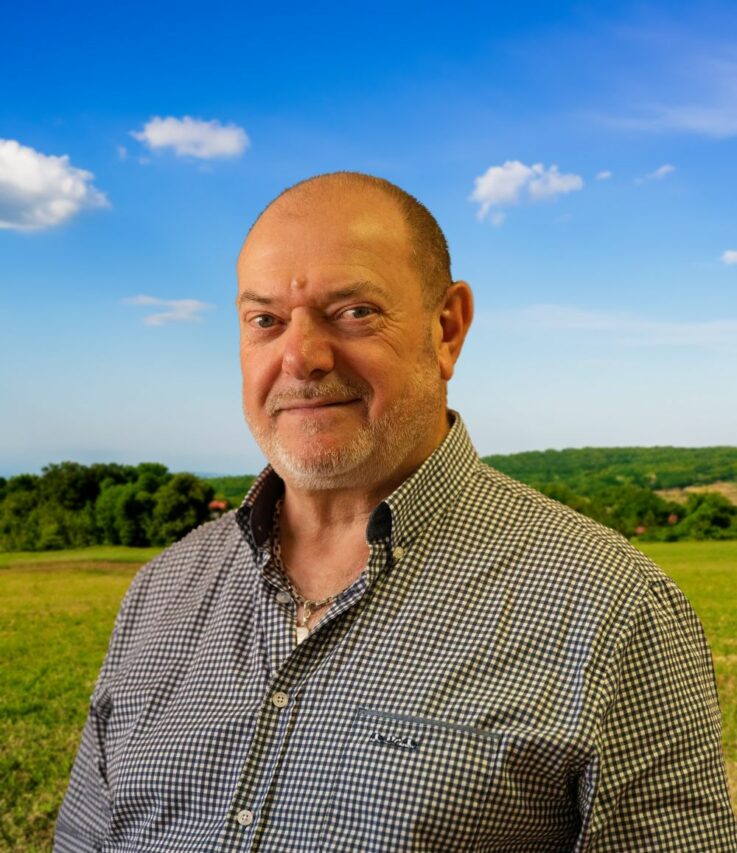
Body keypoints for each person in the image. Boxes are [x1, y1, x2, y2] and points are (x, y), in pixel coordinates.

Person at [55, 172, 736, 852]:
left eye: (353, 311)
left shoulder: (614, 609)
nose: (300, 358)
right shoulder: (159, 592)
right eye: (265, 320)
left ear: (447, 328)